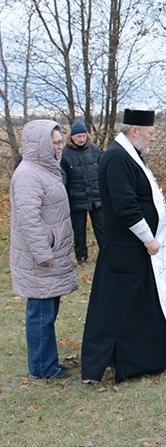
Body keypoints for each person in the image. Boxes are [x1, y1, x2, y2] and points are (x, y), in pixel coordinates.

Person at [81, 110, 166, 382]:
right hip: (127, 248)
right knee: (123, 307)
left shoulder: (129, 154)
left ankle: (154, 354)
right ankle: (128, 360)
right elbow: (126, 205)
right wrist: (148, 238)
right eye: (151, 133)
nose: (154, 138)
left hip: (135, 248)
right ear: (135, 131)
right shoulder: (117, 158)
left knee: (142, 304)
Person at [10, 120, 78, 379]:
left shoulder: (46, 169)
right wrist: (44, 254)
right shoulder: (28, 174)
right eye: (55, 142)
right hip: (41, 259)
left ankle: (48, 362)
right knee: (40, 315)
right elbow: (29, 219)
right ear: (40, 144)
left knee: (47, 313)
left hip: (51, 255)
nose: (60, 147)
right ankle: (42, 368)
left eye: (61, 142)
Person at [60, 121, 105, 264]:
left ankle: (106, 254)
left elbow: (103, 172)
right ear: (71, 137)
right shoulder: (65, 153)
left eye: (83, 136)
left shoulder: (95, 150)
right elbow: (62, 176)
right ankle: (81, 257)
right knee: (79, 231)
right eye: (78, 136)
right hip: (76, 199)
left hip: (96, 197)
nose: (81, 139)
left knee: (102, 228)